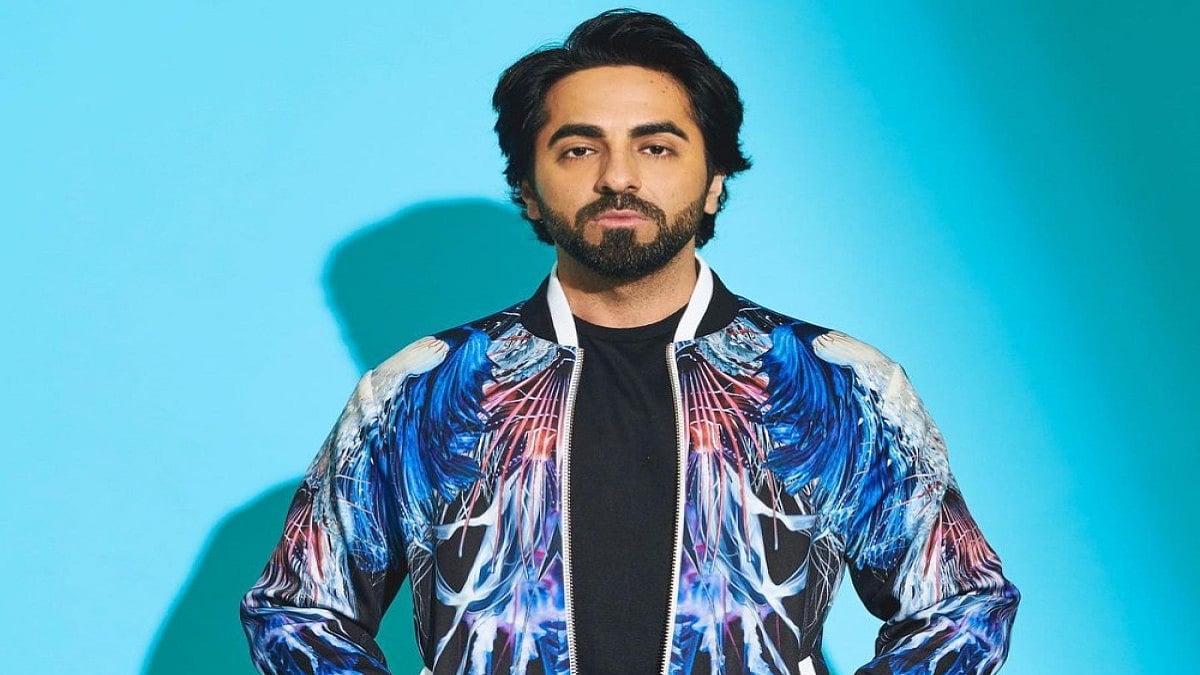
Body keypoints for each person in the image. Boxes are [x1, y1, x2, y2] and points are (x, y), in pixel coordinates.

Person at [241, 9, 1019, 675]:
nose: (618, 177)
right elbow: (298, 610)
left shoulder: (834, 383)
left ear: (714, 179)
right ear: (527, 188)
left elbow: (962, 603)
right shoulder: (418, 390)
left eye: (656, 146)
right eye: (579, 148)